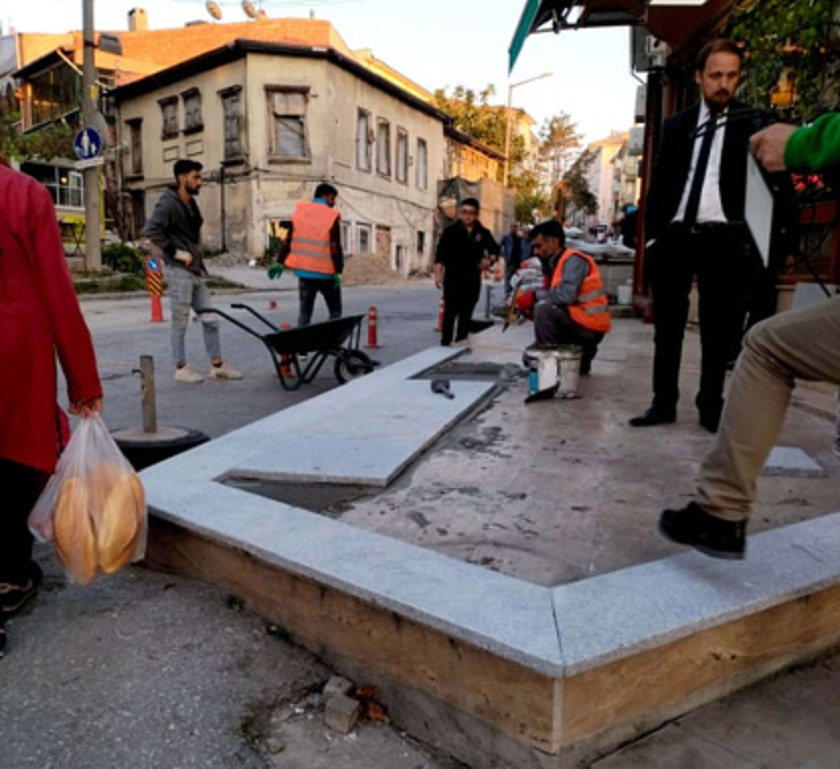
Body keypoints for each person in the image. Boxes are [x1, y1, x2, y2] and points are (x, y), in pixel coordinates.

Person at [659, 113, 840, 560]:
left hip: (734, 254)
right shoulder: (681, 129)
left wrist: (801, 144)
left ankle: (721, 511)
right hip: (690, 244)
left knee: (764, 348)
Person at [630, 39, 762, 434]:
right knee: (667, 328)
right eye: (716, 75)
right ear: (700, 77)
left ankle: (710, 407)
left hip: (725, 239)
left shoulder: (751, 123)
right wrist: (653, 238)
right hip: (675, 237)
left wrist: (753, 245)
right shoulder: (677, 125)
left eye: (732, 75)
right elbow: (659, 186)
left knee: (716, 330)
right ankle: (662, 403)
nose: (724, 83)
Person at [0, 163, 103, 658]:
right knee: (16, 461)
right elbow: (58, 295)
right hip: (15, 357)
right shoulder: (22, 194)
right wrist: (82, 381)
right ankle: (10, 575)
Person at [143, 159, 242, 384]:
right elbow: (152, 230)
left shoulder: (189, 204)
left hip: (194, 270)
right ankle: (181, 367)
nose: (200, 181)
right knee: (180, 321)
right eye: (195, 177)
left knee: (210, 318)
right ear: (182, 178)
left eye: (200, 177)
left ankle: (217, 366)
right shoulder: (168, 203)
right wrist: (174, 252)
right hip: (178, 270)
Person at [517, 220, 611, 374]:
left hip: (589, 325)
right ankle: (578, 358)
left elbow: (566, 296)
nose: (535, 252)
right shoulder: (554, 263)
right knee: (529, 357)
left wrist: (534, 297)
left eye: (538, 246)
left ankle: (549, 369)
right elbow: (556, 300)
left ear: (554, 242)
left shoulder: (573, 260)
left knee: (543, 309)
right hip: (578, 321)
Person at [268, 183, 344, 328]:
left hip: (304, 274)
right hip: (326, 274)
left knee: (305, 313)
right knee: (335, 311)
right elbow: (335, 246)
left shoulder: (300, 212)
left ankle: (301, 346)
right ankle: (331, 343)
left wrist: (279, 262)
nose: (333, 203)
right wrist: (338, 270)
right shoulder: (331, 215)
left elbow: (288, 240)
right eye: (332, 198)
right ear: (325, 195)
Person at [434, 197, 500, 346]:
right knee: (450, 312)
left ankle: (461, 341)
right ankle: (445, 343)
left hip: (472, 279)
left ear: (476, 214)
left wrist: (489, 260)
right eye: (464, 212)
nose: (467, 216)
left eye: (471, 213)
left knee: (466, 311)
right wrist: (438, 275)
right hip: (452, 278)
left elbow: (495, 250)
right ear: (459, 213)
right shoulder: (450, 232)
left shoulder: (482, 232)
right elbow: (440, 255)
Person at [500, 223, 524, 298]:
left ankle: (514, 294)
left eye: (515, 227)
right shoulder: (506, 237)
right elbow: (499, 245)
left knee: (516, 278)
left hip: (517, 261)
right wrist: (504, 255)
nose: (514, 228)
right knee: (508, 277)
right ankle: (507, 294)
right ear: (510, 228)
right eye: (512, 227)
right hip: (509, 261)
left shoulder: (519, 238)